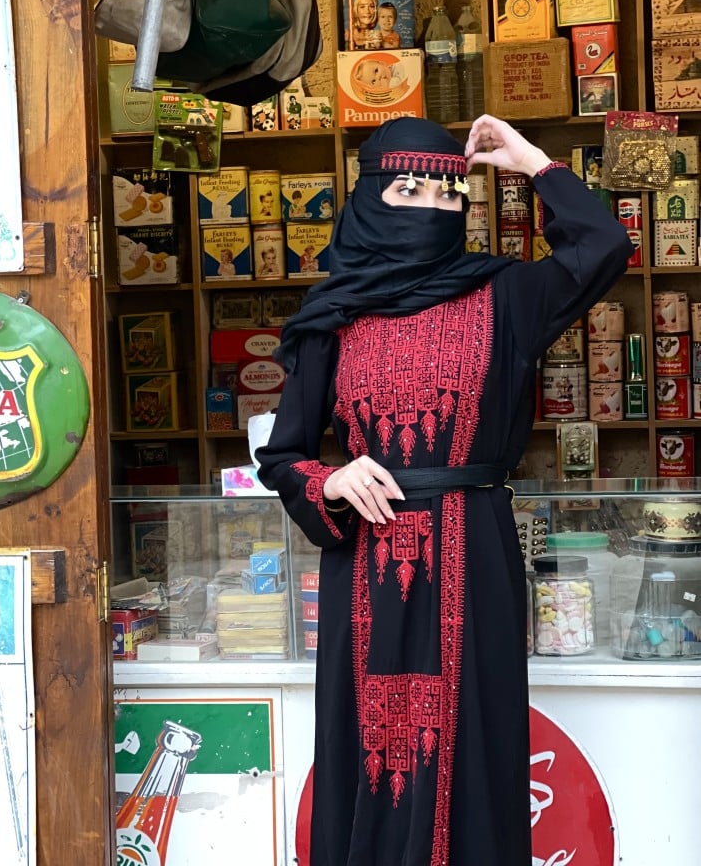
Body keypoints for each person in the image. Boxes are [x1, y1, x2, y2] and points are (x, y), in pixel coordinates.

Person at [255, 114, 633, 866]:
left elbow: (602, 246)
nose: (432, 206)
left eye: (449, 193)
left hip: (476, 550)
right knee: (370, 744)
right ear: (371, 197)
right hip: (367, 557)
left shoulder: (506, 296)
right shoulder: (333, 315)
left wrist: (531, 161)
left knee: (476, 743)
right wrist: (333, 477)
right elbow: (283, 455)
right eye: (410, 189)